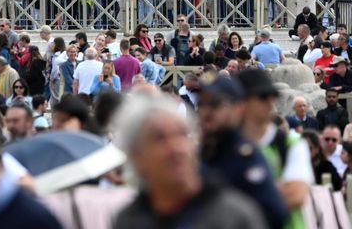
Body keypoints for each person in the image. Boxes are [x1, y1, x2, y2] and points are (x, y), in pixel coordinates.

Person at [113, 94, 268, 229]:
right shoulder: (128, 221)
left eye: (182, 135)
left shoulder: (234, 217)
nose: (177, 148)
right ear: (135, 155)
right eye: (159, 138)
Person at [198, 77, 289, 229]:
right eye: (201, 104)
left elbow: (275, 214)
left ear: (238, 108)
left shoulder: (244, 156)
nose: (206, 111)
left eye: (214, 104)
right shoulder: (200, 152)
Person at [239, 69, 312, 228]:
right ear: (242, 101)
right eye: (262, 96)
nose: (270, 101)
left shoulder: (292, 143)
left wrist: (240, 190)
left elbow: (296, 195)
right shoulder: (225, 144)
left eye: (272, 95)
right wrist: (276, 187)